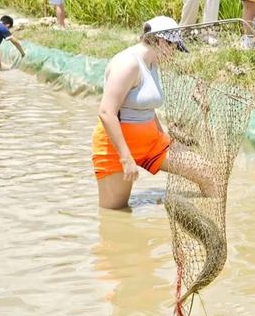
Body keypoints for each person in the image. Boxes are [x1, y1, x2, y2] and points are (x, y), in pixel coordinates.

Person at [92, 16, 214, 209]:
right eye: (173, 47)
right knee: (116, 216)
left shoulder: (152, 64)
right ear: (160, 41)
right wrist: (126, 158)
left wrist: (164, 138)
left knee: (207, 173)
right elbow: (106, 112)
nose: (174, 54)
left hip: (151, 142)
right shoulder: (127, 64)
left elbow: (147, 108)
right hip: (117, 150)